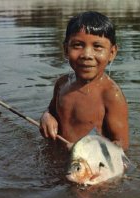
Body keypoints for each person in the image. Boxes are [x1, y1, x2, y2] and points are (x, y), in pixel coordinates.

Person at [39, 11, 129, 151]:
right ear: (65, 49)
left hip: (89, 166)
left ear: (112, 53)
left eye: (97, 47)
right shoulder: (62, 83)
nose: (87, 55)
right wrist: (46, 116)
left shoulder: (110, 94)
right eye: (77, 45)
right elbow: (51, 110)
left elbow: (121, 145)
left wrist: (85, 151)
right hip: (60, 159)